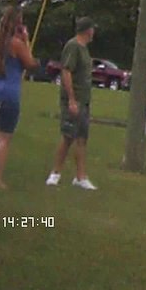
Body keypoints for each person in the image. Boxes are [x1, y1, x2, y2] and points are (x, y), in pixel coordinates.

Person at [0, 5, 38, 189]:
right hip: (8, 93)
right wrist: (27, 40)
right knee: (4, 138)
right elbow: (30, 63)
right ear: (17, 23)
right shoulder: (16, 43)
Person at [46, 17, 98, 190]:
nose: (94, 32)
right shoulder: (73, 46)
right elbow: (66, 71)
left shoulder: (85, 49)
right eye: (92, 29)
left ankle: (81, 177)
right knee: (68, 136)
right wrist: (71, 100)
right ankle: (55, 173)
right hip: (74, 99)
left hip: (85, 100)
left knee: (82, 138)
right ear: (87, 30)